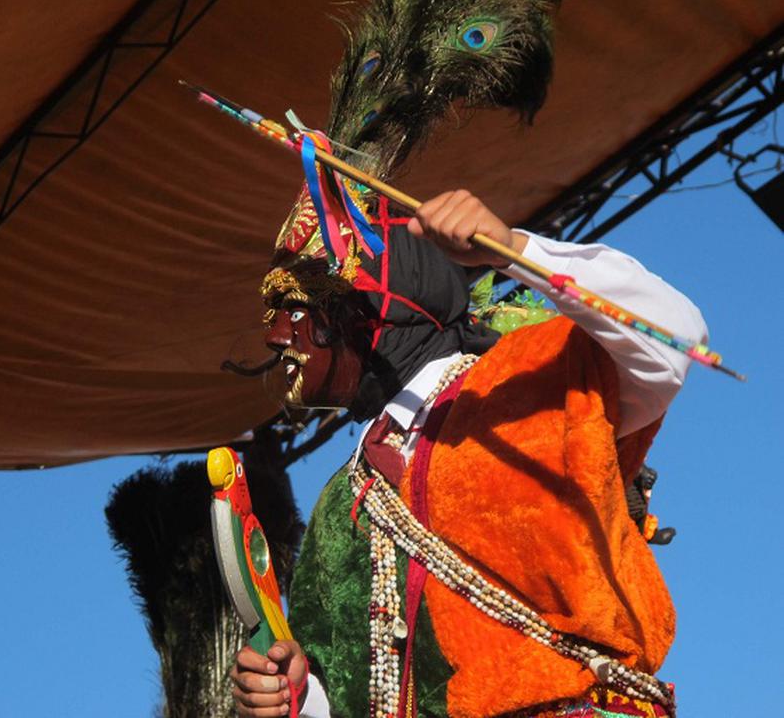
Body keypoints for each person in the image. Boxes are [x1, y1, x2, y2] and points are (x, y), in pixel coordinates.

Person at [229, 189, 706, 718]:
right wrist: (296, 698)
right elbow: (343, 687)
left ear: (373, 304)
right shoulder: (337, 509)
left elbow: (674, 337)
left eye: (294, 308)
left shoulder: (533, 379)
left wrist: (514, 249)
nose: (275, 336)